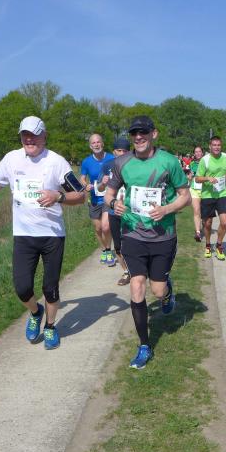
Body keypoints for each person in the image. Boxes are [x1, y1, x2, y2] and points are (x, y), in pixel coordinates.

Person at [0, 116, 85, 350]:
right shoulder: (11, 159)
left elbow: (81, 195)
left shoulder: (57, 162)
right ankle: (35, 311)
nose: (29, 140)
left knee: (50, 288)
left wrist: (58, 196)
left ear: (44, 136)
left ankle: (50, 326)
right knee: (22, 288)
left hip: (52, 235)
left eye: (34, 135)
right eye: (25, 135)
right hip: (23, 235)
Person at [104, 115, 191, 369]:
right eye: (134, 133)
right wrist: (114, 204)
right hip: (133, 233)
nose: (138, 137)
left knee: (158, 290)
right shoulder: (121, 163)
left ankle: (167, 293)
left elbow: (185, 195)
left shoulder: (169, 162)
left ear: (154, 134)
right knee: (137, 286)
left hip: (163, 235)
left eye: (143, 132)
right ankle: (144, 345)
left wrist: (167, 209)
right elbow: (109, 194)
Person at [99, 137, 133, 286]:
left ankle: (138, 270)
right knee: (118, 246)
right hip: (114, 210)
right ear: (114, 152)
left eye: (125, 151)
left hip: (132, 211)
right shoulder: (107, 165)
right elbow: (100, 188)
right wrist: (102, 183)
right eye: (119, 150)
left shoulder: (135, 164)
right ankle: (126, 271)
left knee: (134, 243)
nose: (122, 153)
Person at [195, 136, 226, 260]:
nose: (216, 147)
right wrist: (207, 178)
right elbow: (197, 178)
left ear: (221, 146)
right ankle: (207, 245)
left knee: (224, 222)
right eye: (214, 145)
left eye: (219, 145)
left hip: (222, 194)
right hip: (208, 195)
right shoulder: (204, 160)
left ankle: (219, 245)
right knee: (207, 223)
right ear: (210, 146)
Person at [81, 134, 115, 266]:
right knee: (98, 228)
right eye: (93, 143)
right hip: (94, 198)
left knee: (106, 227)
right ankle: (104, 250)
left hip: (108, 197)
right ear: (90, 146)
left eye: (98, 142)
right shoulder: (86, 161)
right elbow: (82, 178)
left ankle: (109, 250)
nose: (96, 145)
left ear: (102, 144)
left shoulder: (112, 158)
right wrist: (85, 185)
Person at [188, 145, 205, 242]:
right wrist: (190, 177)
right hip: (194, 189)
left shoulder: (206, 162)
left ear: (202, 153)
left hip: (205, 190)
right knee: (196, 210)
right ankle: (198, 232)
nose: (198, 153)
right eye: (196, 152)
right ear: (194, 153)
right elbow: (190, 177)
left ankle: (204, 225)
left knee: (204, 212)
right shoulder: (192, 164)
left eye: (199, 151)